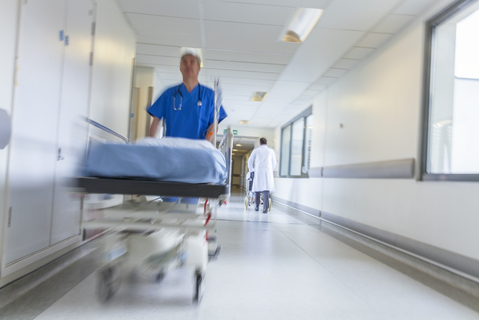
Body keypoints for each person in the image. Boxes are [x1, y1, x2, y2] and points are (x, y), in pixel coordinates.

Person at [147, 52, 227, 142]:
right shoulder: (168, 94)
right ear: (180, 68)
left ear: (198, 68)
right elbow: (155, 121)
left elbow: (214, 124)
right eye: (184, 62)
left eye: (192, 62)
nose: (188, 65)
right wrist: (151, 143)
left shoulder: (210, 95)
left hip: (198, 149)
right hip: (172, 148)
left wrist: (206, 143)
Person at [248, 138, 277, 213]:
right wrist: (271, 169)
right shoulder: (271, 150)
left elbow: (250, 161)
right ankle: (265, 208)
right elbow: (274, 162)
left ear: (260, 143)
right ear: (266, 143)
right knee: (266, 189)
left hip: (258, 171)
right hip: (267, 172)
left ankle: (257, 207)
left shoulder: (256, 150)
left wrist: (251, 170)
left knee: (257, 188)